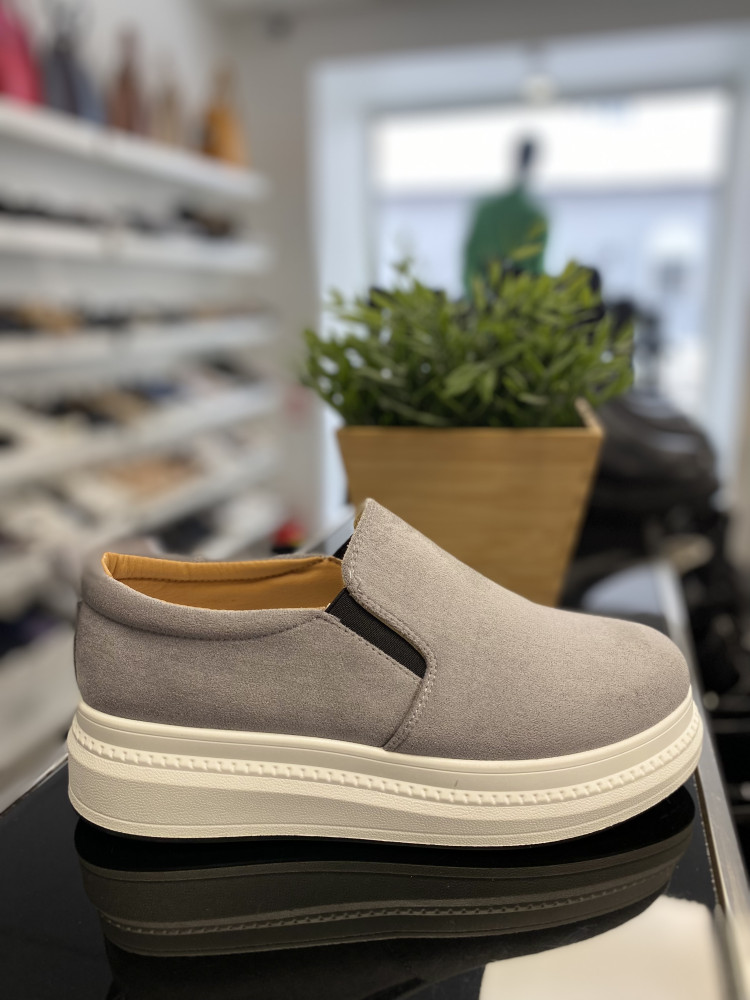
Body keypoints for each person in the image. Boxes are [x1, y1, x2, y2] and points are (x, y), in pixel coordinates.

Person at [463, 139, 548, 295]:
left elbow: (470, 261)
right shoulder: (537, 218)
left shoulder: (486, 210)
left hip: (482, 299)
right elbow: (536, 270)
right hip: (518, 301)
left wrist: (472, 297)